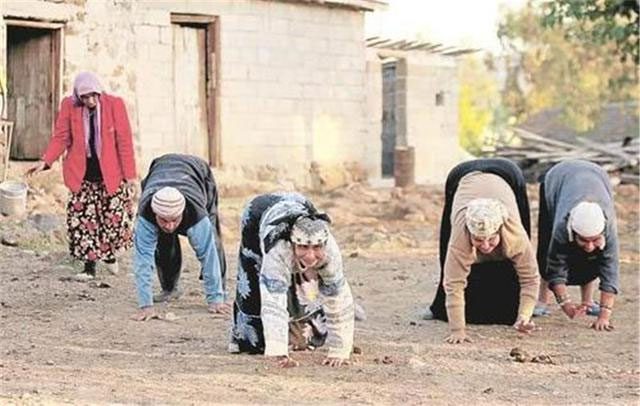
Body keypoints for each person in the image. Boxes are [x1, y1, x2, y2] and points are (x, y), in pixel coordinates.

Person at [26, 71, 136, 280]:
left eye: (93, 95)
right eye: (85, 97)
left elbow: (124, 141)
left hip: (110, 174)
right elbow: (61, 137)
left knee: (111, 220)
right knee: (84, 219)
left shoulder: (115, 105)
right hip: (82, 173)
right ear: (78, 96)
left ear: (99, 92)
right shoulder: (69, 106)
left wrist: (130, 175)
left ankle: (110, 255)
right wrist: (45, 160)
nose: (90, 101)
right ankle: (89, 266)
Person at [229, 192, 354, 367]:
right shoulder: (278, 249)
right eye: (303, 247)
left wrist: (341, 350)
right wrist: (278, 353)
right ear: (293, 243)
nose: (311, 256)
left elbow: (337, 297)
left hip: (300, 203)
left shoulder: (330, 251)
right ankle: (256, 339)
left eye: (317, 247)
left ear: (324, 244)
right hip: (258, 214)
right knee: (254, 290)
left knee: (306, 312)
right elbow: (273, 300)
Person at [425, 158, 540, 343]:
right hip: (461, 173)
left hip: (507, 172)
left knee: (513, 269)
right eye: (478, 239)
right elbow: (454, 284)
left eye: (491, 239)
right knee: (449, 259)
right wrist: (457, 330)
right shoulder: (460, 238)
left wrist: (524, 315)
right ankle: (441, 308)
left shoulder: (515, 235)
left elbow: (530, 279)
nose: (485, 246)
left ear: (500, 231)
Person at [131, 154, 228, 321]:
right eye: (163, 220)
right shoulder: (146, 216)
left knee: (212, 240)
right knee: (164, 240)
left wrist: (216, 299)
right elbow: (142, 262)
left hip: (197, 173)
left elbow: (208, 255)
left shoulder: (197, 216)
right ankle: (169, 289)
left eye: (174, 220)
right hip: (159, 168)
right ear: (154, 214)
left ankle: (218, 293)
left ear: (182, 213)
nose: (169, 225)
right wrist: (145, 305)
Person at [534, 160, 619, 331]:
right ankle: (543, 299)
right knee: (546, 244)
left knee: (593, 254)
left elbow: (610, 271)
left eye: (594, 239)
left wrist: (604, 316)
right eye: (583, 240)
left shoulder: (608, 229)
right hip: (559, 178)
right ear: (572, 232)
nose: (589, 245)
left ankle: (588, 301)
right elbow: (556, 265)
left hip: (596, 176)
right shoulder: (562, 227)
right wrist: (566, 305)